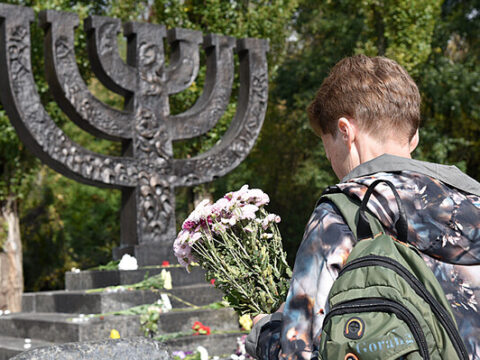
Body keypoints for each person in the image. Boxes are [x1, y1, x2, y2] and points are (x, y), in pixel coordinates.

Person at [246, 54, 480, 359]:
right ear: (414, 137)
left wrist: (265, 330)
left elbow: (296, 351)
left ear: (345, 131)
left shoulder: (344, 214)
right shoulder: (472, 198)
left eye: (326, 143)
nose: (330, 159)